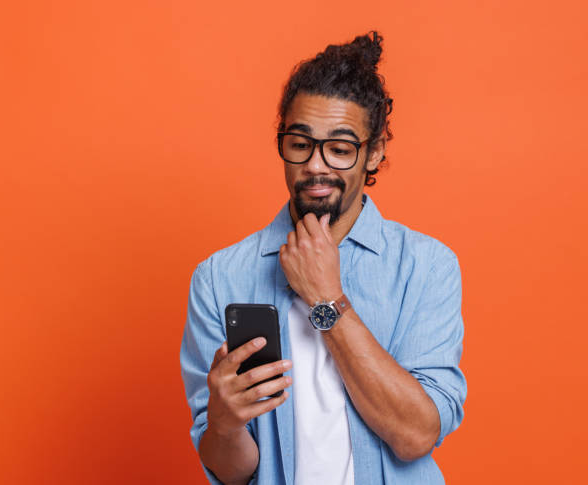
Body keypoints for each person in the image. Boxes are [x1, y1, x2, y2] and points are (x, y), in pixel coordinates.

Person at [180, 31, 466, 485]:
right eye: (300, 144)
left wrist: (325, 297)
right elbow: (230, 473)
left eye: (340, 148)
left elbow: (416, 435)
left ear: (374, 154)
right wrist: (224, 422)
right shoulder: (219, 278)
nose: (316, 165)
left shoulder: (426, 267)